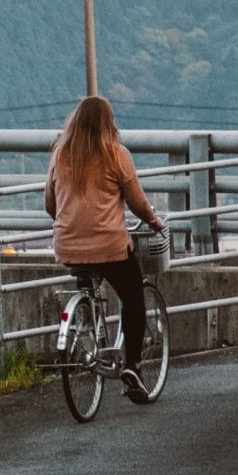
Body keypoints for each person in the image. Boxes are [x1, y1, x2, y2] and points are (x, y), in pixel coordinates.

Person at [43, 95, 165, 399]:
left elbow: (50, 204)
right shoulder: (116, 154)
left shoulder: (60, 154)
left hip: (68, 246)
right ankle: (133, 366)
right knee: (133, 297)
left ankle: (87, 334)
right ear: (108, 123)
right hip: (109, 247)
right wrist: (153, 221)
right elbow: (137, 202)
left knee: (90, 283)